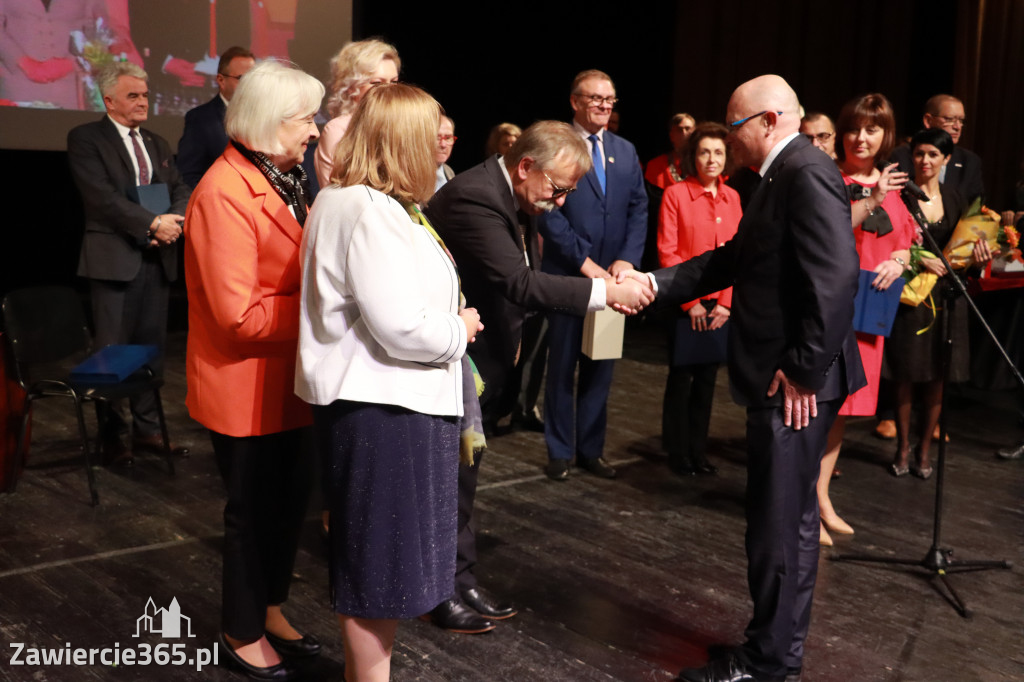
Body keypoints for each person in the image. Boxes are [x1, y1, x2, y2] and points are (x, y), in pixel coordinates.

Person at [626, 74, 863, 682]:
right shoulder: (778, 177)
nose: (727, 140)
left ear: (767, 121)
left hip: (795, 383)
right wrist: (654, 284)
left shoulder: (805, 173)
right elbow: (733, 260)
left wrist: (805, 370)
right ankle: (771, 647)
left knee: (779, 529)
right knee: (782, 524)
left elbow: (835, 281)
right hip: (789, 375)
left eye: (733, 127)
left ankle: (768, 665)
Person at [423, 120, 653, 633]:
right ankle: (440, 589)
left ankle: (460, 578)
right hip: (453, 361)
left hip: (483, 359)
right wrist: (606, 296)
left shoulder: (518, 194)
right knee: (449, 480)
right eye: (559, 188)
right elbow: (518, 282)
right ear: (525, 165)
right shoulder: (476, 198)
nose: (563, 201)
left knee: (464, 475)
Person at [297, 83, 483, 682]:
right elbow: (400, 326)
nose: (438, 151)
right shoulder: (361, 208)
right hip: (383, 413)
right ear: (402, 141)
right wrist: (459, 330)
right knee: (378, 572)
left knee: (392, 569)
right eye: (429, 138)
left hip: (402, 408)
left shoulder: (380, 204)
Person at [183, 59, 324, 681]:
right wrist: (325, 310)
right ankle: (240, 631)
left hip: (287, 381)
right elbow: (238, 316)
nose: (316, 130)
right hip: (244, 384)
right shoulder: (223, 190)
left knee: (287, 505)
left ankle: (269, 609)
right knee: (250, 514)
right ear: (271, 122)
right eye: (306, 118)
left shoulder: (285, 177)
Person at [67, 61, 190, 465]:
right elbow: (101, 198)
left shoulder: (155, 141)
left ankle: (148, 431)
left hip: (157, 259)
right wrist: (151, 222)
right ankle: (112, 436)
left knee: (150, 350)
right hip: (115, 261)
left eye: (145, 95)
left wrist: (173, 220)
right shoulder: (86, 139)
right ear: (109, 101)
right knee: (112, 352)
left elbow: (179, 188)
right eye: (133, 96)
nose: (142, 102)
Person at [538, 69, 647, 482]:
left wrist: (626, 261)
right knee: (563, 366)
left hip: (614, 279)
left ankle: (591, 450)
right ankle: (560, 451)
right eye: (596, 98)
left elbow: (638, 207)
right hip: (569, 277)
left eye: (610, 100)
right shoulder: (557, 147)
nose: (605, 106)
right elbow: (548, 212)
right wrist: (587, 266)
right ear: (575, 101)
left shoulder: (624, 150)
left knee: (600, 364)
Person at [817, 93, 913, 546]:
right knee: (817, 407)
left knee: (843, 411)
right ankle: (803, 505)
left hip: (869, 315)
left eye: (872, 129)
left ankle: (820, 498)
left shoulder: (893, 184)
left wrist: (900, 259)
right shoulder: (826, 177)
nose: (861, 137)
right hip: (828, 311)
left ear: (885, 135)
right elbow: (830, 229)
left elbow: (904, 240)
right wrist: (872, 198)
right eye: (854, 128)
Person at [883, 128, 993, 478]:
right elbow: (885, 244)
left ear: (946, 159)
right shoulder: (899, 196)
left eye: (933, 155)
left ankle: (924, 450)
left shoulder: (956, 198)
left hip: (946, 297)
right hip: (910, 296)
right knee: (904, 373)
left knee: (937, 376)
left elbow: (964, 253)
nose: (925, 161)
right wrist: (916, 260)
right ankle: (902, 447)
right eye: (919, 154)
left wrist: (978, 255)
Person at [657, 122, 741, 477]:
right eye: (705, 151)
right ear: (693, 155)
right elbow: (668, 251)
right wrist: (690, 303)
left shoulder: (733, 197)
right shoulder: (675, 194)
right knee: (681, 380)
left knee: (707, 381)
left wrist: (725, 303)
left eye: (718, 152)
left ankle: (698, 450)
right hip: (685, 305)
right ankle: (677, 451)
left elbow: (738, 254)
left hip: (719, 307)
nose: (712, 159)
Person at [314, 38, 399, 187]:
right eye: (377, 83)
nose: (388, 90)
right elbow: (337, 195)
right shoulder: (339, 130)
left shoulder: (401, 125)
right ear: (352, 87)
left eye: (394, 82)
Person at [176, 46, 255, 188]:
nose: (249, 85)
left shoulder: (264, 117)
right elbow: (189, 175)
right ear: (221, 80)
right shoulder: (200, 119)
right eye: (242, 78)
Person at [890, 94, 985, 205]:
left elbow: (976, 206)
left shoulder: (969, 161)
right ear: (928, 121)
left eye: (961, 120)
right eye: (949, 119)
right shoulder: (901, 156)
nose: (957, 127)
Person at [645, 112, 696, 189]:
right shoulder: (656, 165)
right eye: (679, 129)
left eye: (688, 129)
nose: (684, 133)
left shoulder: (703, 164)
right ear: (671, 135)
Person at [435, 114, 456, 192]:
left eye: (448, 138)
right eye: (437, 137)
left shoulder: (449, 171)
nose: (443, 144)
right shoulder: (410, 175)